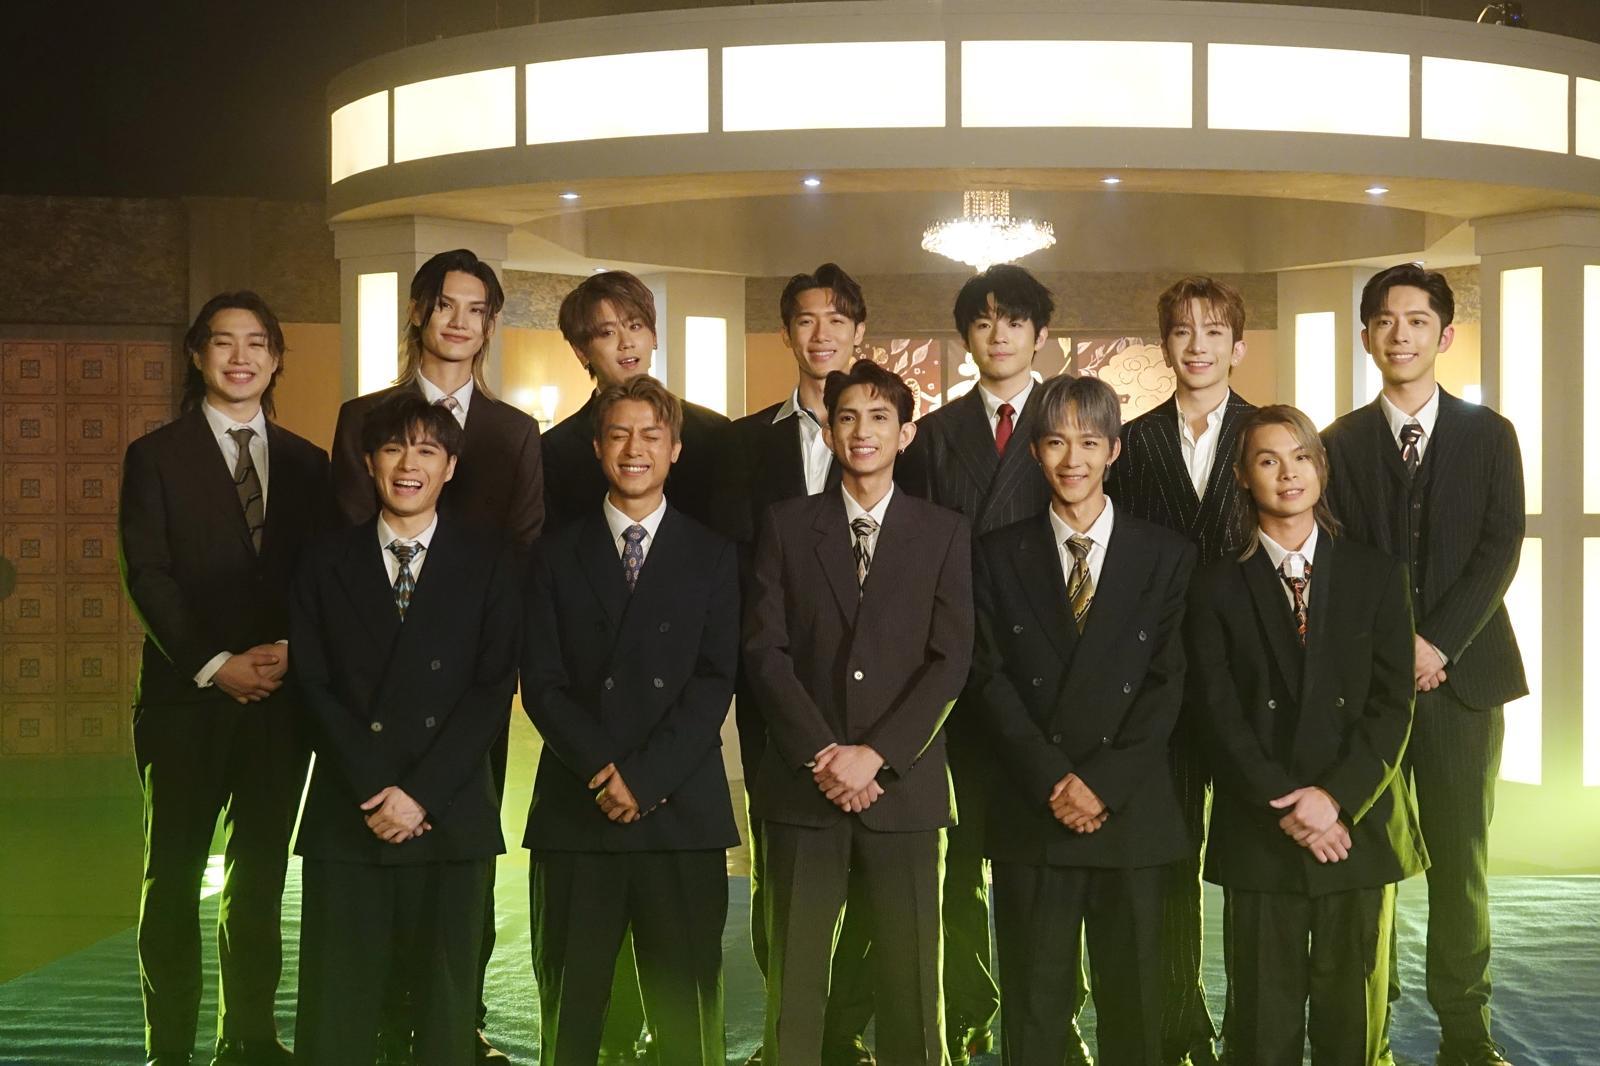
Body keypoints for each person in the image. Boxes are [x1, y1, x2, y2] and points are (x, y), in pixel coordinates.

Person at [330, 247, 542, 1065]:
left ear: (490, 324)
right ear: (419, 312)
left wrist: (487, 659)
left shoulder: (513, 431)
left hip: (470, 686)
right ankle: (387, 1016)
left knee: (465, 854)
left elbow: (524, 550)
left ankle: (462, 1017)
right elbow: (350, 544)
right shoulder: (362, 418)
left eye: (476, 309)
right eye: (445, 304)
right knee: (376, 850)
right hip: (373, 683)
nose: (459, 321)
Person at [119, 291, 330, 1066]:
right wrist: (215, 664)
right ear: (198, 355)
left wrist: (291, 649)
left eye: (256, 343)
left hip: (279, 704)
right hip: (185, 701)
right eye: (223, 342)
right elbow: (147, 574)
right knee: (172, 878)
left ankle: (248, 1038)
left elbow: (325, 576)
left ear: (275, 358)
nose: (241, 357)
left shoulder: (309, 463)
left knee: (261, 880)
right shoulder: (155, 456)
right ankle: (168, 1048)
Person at [1322, 263, 1525, 1066]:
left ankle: (1466, 1033)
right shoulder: (1338, 443)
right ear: (1366, 336)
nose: (1399, 334)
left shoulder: (1490, 434)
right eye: (1384, 321)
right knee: (1367, 860)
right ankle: (1368, 1019)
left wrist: (1436, 643)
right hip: (1367, 687)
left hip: (1464, 682)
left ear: (1444, 335)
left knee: (1459, 860)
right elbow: (1335, 558)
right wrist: (1390, 652)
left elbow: (1499, 547)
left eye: (1416, 321)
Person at [744, 358, 972, 1065]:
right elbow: (765, 651)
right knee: (795, 984)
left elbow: (950, 660)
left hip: (904, 787)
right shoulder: (786, 525)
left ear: (906, 434)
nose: (862, 431)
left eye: (879, 418)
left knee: (913, 984)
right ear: (828, 430)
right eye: (846, 417)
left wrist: (876, 755)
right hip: (804, 787)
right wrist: (825, 755)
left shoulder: (943, 531)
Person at [968, 373, 1195, 1066]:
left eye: (1090, 442)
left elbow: (1168, 683)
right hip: (1033, 806)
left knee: (1136, 1009)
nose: (1074, 460)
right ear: (1035, 451)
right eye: (1057, 442)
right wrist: (1054, 779)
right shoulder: (995, 552)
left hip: (1130, 808)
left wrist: (1102, 785)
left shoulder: (1166, 554)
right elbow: (988, 678)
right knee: (1034, 1010)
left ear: (1114, 451)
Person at [1189, 404, 1426, 1065]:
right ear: (1243, 475)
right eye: (1267, 460)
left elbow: (1393, 703)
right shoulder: (1213, 585)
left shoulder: (1377, 573)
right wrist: (1292, 803)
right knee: (1261, 1022)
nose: (1287, 473)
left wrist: (1335, 800)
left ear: (1321, 468)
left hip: (1358, 822)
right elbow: (1216, 711)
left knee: (1353, 1020)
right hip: (1263, 823)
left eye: (1300, 457)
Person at [290, 393, 520, 1066]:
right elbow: (312, 684)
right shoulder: (324, 560)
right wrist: (376, 788)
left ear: (451, 466)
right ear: (369, 462)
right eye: (393, 449)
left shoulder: (492, 559)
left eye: (426, 450)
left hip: (449, 810)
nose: (408, 465)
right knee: (339, 1010)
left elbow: (492, 688)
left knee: (444, 1010)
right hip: (349, 807)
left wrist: (419, 794)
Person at [521, 374, 740, 1066]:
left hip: (680, 809)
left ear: (675, 448)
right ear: (597, 447)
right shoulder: (555, 553)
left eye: (651, 434)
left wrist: (645, 778)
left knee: (688, 1021)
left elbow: (715, 680)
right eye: (618, 434)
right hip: (578, 805)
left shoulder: (713, 554)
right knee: (573, 1018)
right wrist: (603, 770)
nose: (634, 448)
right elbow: (542, 684)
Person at [896, 263, 1068, 1064]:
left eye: (1015, 320)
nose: (999, 334)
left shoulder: (1073, 423)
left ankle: (1053, 1016)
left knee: (1047, 858)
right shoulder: (933, 436)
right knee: (957, 857)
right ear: (965, 336)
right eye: (984, 320)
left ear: (1041, 334)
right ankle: (968, 1006)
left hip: (1052, 671)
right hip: (958, 671)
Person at [714, 262, 875, 1065]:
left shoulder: (895, 437)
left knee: (874, 876)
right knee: (778, 873)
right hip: (775, 689)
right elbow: (734, 576)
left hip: (877, 703)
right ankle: (789, 1035)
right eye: (807, 320)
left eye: (837, 320)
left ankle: (845, 1032)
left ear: (859, 332)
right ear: (786, 333)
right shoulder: (742, 446)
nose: (822, 334)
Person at [1109, 275, 1258, 1066]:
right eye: (1182, 331)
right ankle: (1178, 1021)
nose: (1197, 346)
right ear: (1164, 345)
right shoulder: (1129, 444)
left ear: (1239, 346)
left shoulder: (1272, 436)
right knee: (1166, 860)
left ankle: (1254, 1025)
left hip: (1251, 687)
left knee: (1254, 861)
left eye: (1213, 332)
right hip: (1157, 686)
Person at [543, 270, 728, 533]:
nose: (626, 343)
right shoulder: (555, 450)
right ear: (581, 352)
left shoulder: (713, 432)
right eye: (607, 333)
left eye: (635, 326)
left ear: (654, 336)